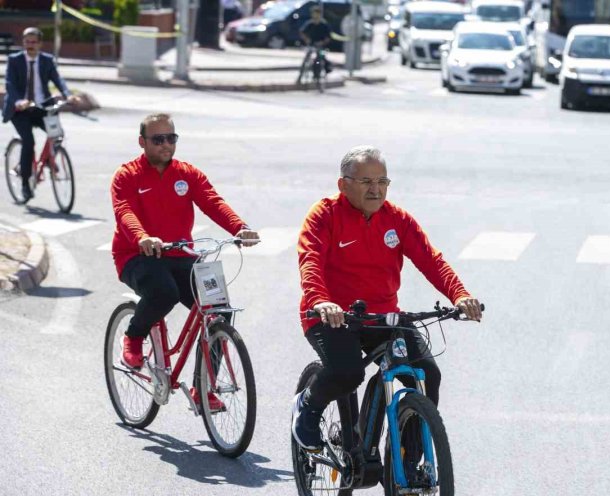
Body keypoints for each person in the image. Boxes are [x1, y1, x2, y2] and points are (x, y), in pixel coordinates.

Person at [292, 146, 483, 451]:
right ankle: (308, 406)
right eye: (366, 181)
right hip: (331, 316)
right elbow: (310, 261)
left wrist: (459, 294)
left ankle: (409, 457)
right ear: (343, 184)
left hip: (383, 316)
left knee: (426, 374)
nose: (376, 189)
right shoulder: (324, 215)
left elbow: (431, 261)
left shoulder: (397, 219)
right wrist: (321, 301)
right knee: (347, 373)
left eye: (382, 181)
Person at [110, 114, 260, 410]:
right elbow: (124, 211)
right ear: (142, 142)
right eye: (158, 139)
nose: (166, 144)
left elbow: (212, 202)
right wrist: (142, 237)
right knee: (163, 292)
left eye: (171, 138)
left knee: (218, 309)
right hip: (137, 256)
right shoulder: (127, 175)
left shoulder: (187, 173)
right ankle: (134, 336)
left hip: (180, 255)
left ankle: (203, 387)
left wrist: (239, 228)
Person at [1, 27, 71, 201]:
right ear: (23, 42)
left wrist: (67, 94)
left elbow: (58, 79)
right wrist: (19, 101)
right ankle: (25, 183)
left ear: (40, 44)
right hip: (20, 110)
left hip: (41, 107)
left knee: (58, 134)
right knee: (29, 141)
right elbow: (10, 84)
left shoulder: (47, 60)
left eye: (33, 42)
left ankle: (48, 159)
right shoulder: (14, 60)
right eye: (27, 42)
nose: (30, 45)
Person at [299, 6, 333, 75]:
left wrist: (322, 42)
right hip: (311, 44)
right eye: (314, 13)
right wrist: (306, 39)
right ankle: (303, 71)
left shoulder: (324, 25)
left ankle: (325, 69)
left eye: (317, 13)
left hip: (321, 45)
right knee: (308, 55)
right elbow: (302, 32)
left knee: (321, 56)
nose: (315, 15)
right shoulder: (310, 24)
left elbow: (328, 37)